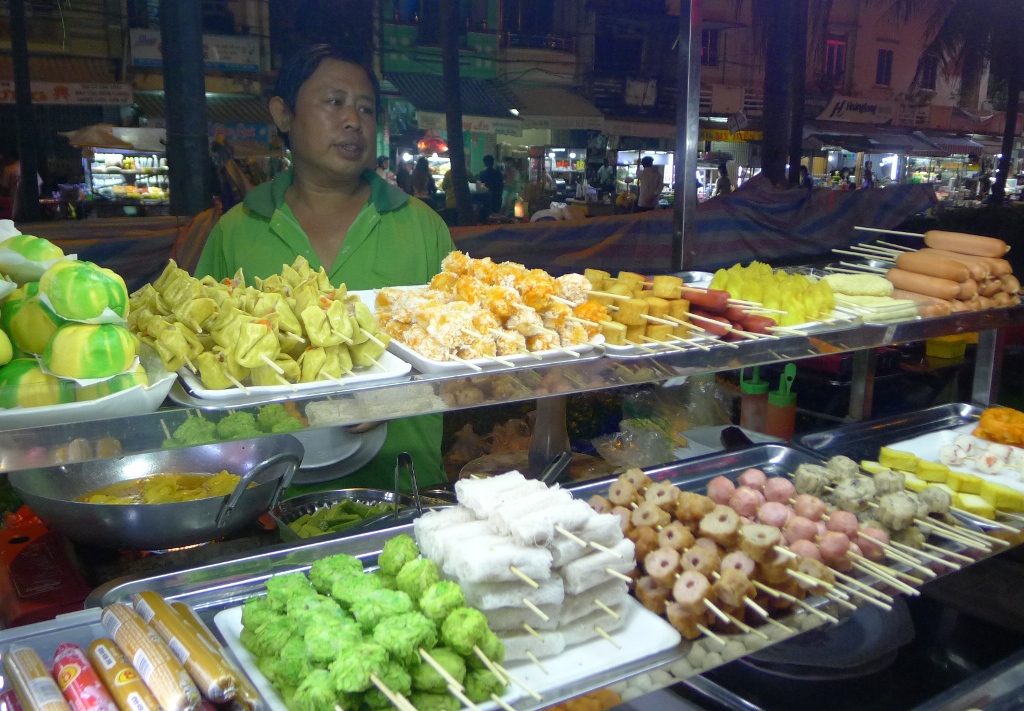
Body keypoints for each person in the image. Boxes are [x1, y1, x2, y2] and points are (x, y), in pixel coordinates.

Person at [195, 44, 455, 490]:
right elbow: (200, 360)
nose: (353, 120)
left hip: (403, 485)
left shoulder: (423, 227)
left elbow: (463, 360)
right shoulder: (236, 231)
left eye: (366, 109)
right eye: (334, 102)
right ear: (283, 114)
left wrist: (398, 399)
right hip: (265, 495)